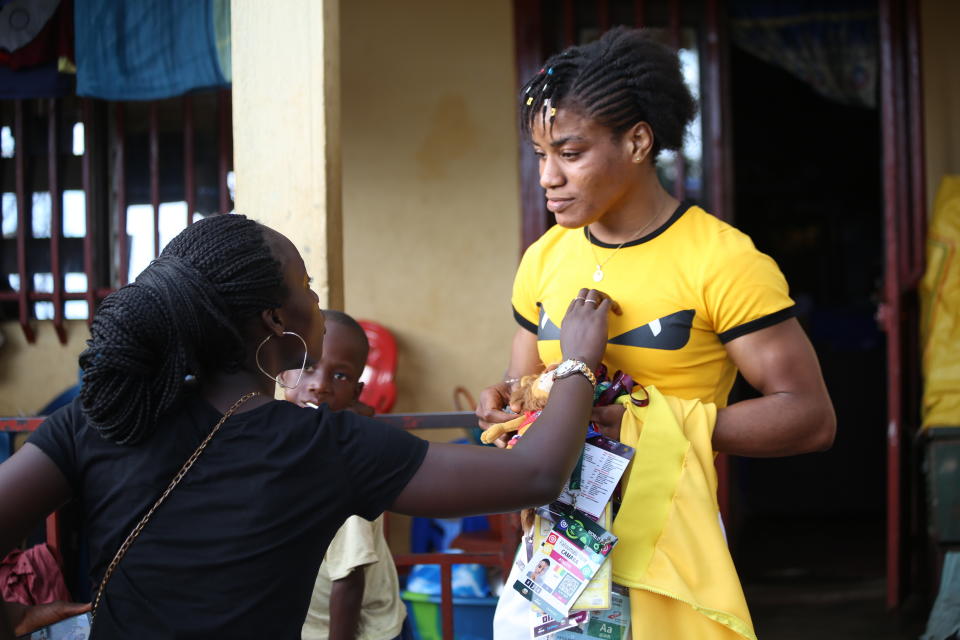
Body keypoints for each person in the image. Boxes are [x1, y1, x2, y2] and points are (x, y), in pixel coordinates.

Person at [0, 213, 615, 640]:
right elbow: (536, 473)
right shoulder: (321, 446)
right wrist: (578, 361)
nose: (317, 301)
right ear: (275, 318)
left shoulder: (96, 420)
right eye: (307, 286)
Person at [476, 27, 836, 638]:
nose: (547, 178)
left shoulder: (721, 260)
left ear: (638, 141)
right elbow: (526, 381)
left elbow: (810, 418)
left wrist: (646, 423)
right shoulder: (543, 258)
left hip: (670, 542)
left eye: (570, 153)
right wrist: (508, 403)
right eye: (541, 156)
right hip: (558, 546)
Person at [280, 310, 404, 640]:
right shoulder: (280, 443)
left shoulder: (346, 467)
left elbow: (348, 581)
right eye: (307, 368)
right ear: (282, 373)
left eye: (340, 377)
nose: (319, 385)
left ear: (356, 392)